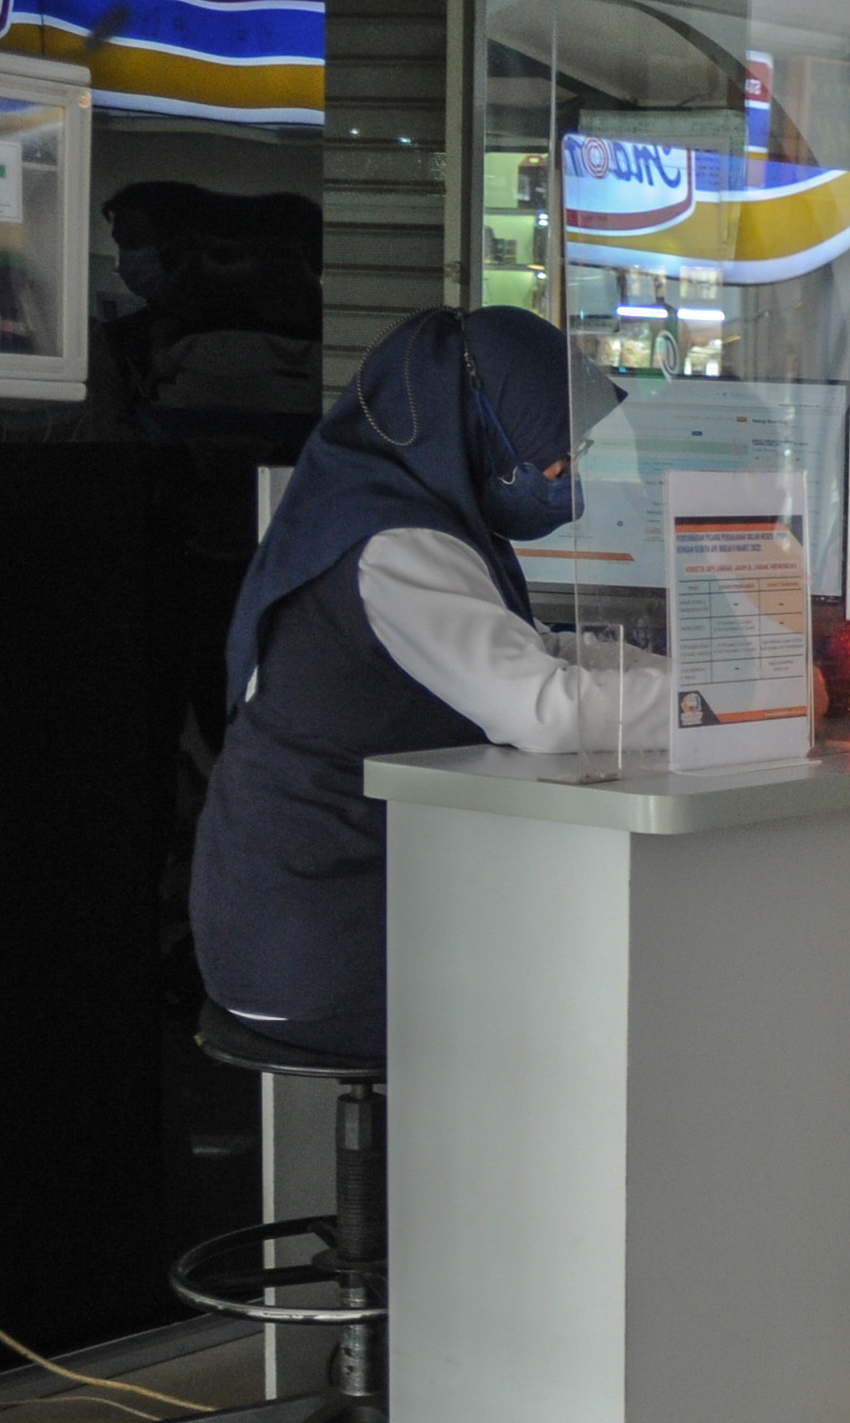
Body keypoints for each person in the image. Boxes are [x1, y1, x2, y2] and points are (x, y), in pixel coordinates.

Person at [191, 306, 665, 1055]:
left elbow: (535, 649)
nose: (563, 473)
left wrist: (710, 687)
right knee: (603, 996)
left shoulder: (385, 509)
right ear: (480, 424)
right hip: (316, 948)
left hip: (309, 911)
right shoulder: (395, 546)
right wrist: (723, 711)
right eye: (552, 449)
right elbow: (542, 710)